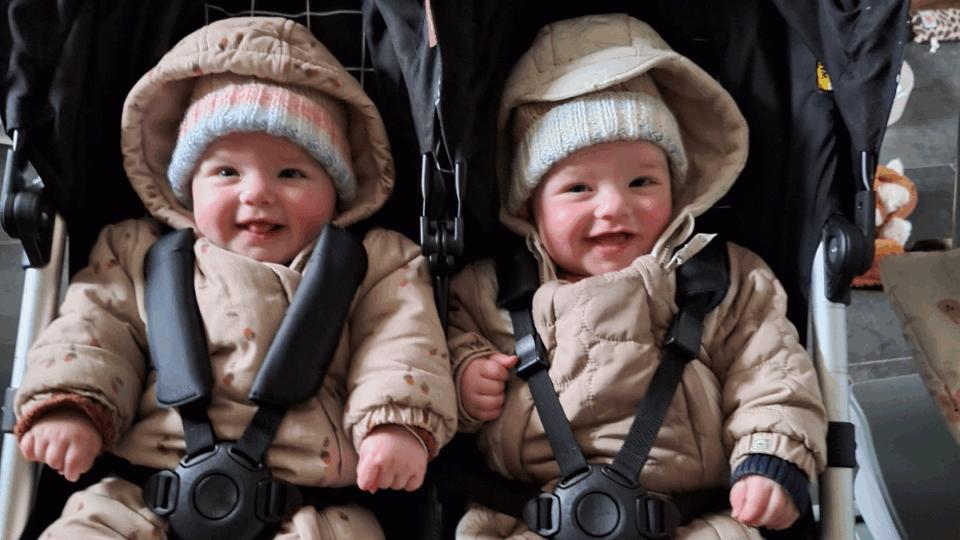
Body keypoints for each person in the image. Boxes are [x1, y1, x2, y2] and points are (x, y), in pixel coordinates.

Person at [14, 17, 456, 539]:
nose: (257, 193)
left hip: (310, 503)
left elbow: (401, 341)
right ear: (187, 187)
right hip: (148, 488)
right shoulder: (138, 253)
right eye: (226, 172)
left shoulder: (374, 263)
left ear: (336, 189)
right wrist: (72, 405)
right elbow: (94, 330)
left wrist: (396, 421)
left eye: (291, 173)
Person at [447, 14, 827, 539]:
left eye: (642, 182)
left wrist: (771, 455)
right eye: (579, 189)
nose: (613, 206)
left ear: (676, 187)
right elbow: (434, 357)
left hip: (693, 516)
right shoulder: (491, 292)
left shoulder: (720, 280)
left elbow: (771, 372)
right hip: (531, 516)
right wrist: (465, 380)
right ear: (529, 204)